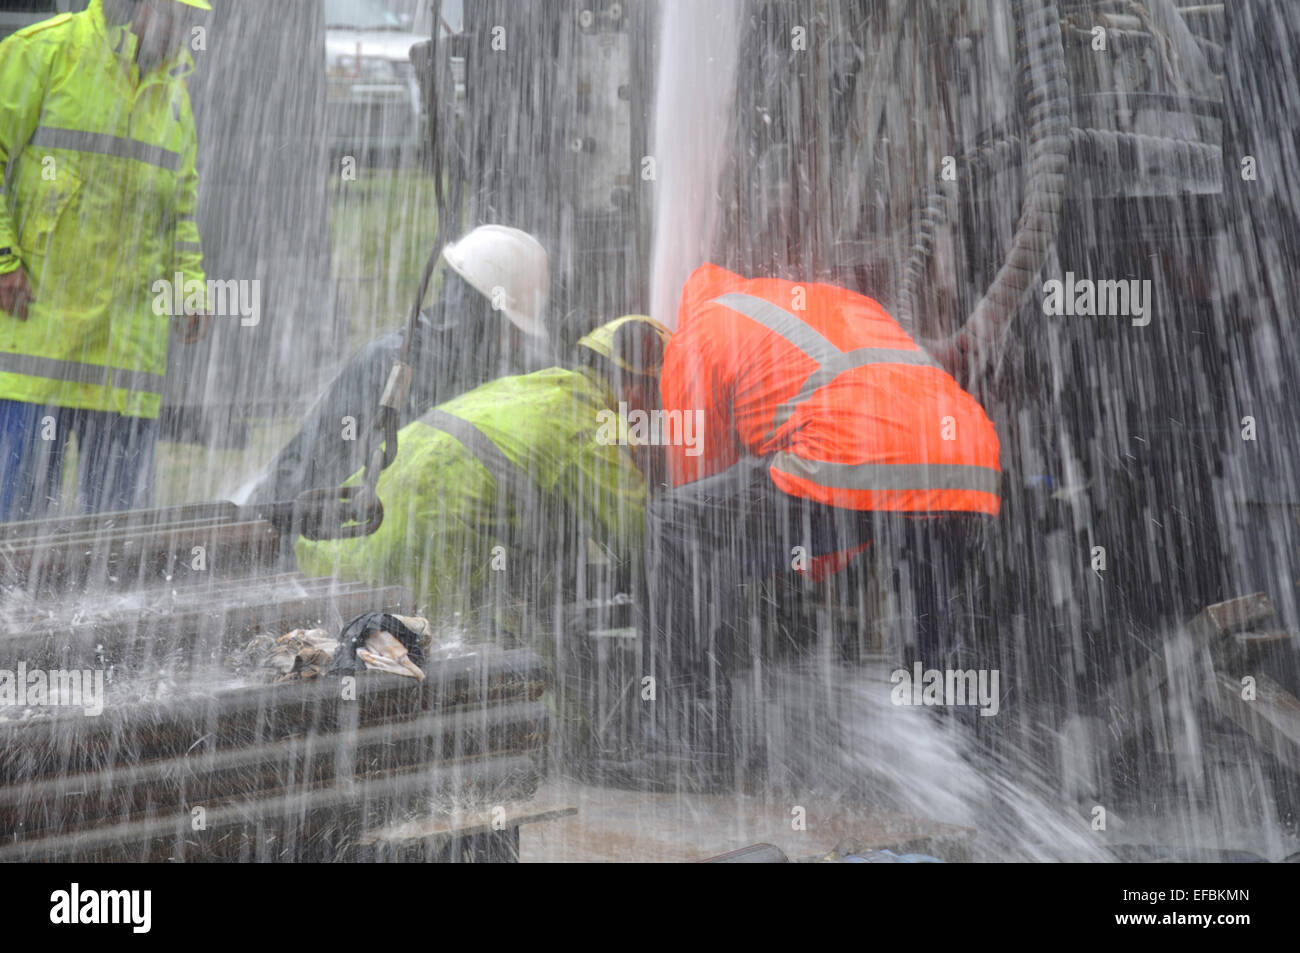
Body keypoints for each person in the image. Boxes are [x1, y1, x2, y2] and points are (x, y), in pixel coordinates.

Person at [640, 263, 1002, 785]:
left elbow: (699, 486)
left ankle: (685, 742)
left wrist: (768, 570)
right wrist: (815, 553)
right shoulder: (828, 302)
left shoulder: (695, 335)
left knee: (669, 528)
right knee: (939, 627)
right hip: (969, 461)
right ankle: (967, 769)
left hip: (853, 456)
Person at [294, 315, 670, 632]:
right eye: (658, 401)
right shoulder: (589, 427)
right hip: (406, 569)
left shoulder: (530, 388)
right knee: (541, 684)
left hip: (337, 550)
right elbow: (640, 541)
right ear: (636, 388)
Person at [0, 0, 213, 522]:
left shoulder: (175, 100)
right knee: (12, 542)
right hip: (38, 352)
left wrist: (189, 283)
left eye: (189, 19)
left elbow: (178, 211)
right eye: (170, 13)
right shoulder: (46, 54)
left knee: (118, 556)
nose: (179, 29)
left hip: (124, 367)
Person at [242, 224, 553, 505]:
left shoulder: (478, 373)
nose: (517, 344)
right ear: (485, 311)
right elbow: (304, 471)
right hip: (330, 530)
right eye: (514, 329)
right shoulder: (394, 364)